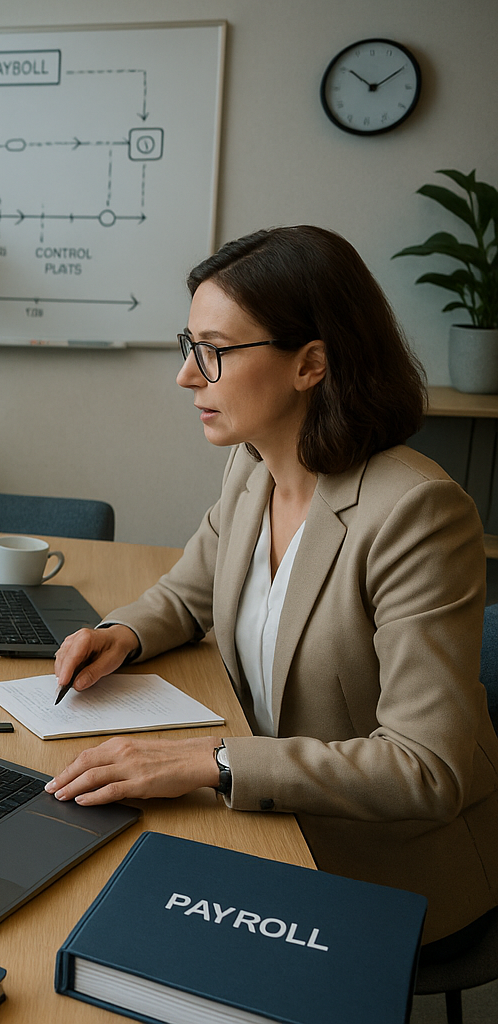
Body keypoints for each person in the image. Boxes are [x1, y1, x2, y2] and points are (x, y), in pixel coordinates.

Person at [45, 225, 498, 949]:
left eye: (214, 350)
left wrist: (212, 761)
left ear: (310, 364)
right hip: (267, 819)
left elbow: (425, 767)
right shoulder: (253, 466)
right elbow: (189, 592)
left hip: (381, 868)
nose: (186, 375)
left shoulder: (416, 513)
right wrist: (121, 633)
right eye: (189, 345)